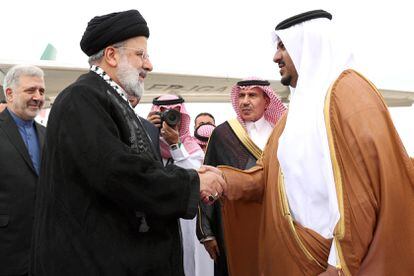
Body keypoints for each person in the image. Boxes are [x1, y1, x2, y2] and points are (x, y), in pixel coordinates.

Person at [203, 9, 414, 275]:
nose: (276, 56)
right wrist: (223, 180)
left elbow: (364, 193)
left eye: (283, 46)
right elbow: (269, 177)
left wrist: (340, 264)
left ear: (308, 45)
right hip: (294, 255)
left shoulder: (347, 94)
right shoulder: (296, 113)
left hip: (334, 263)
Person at [30, 10, 224, 276]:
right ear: (111, 55)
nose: (149, 64)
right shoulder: (82, 98)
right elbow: (117, 172)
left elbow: (135, 166)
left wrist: (189, 176)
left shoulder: (108, 98)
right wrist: (191, 182)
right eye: (140, 55)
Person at [197, 77, 286, 276]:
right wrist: (206, 232)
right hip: (231, 224)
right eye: (241, 95)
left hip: (274, 219)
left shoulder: (281, 133)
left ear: (267, 101)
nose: (245, 101)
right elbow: (206, 180)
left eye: (252, 95)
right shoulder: (223, 134)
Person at [147, 94, 213, 276]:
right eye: (164, 116)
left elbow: (196, 178)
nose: (169, 121)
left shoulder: (192, 148)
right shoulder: (145, 144)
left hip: (188, 225)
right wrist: (146, 133)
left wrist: (175, 145)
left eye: (174, 116)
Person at [0, 65, 46, 276]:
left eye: (42, 91)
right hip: (7, 251)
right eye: (31, 90)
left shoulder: (48, 134)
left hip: (44, 251)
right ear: (9, 93)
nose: (38, 97)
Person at [127, 94, 162, 160]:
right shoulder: (149, 128)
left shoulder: (186, 144)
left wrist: (175, 145)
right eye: (162, 114)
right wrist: (145, 130)